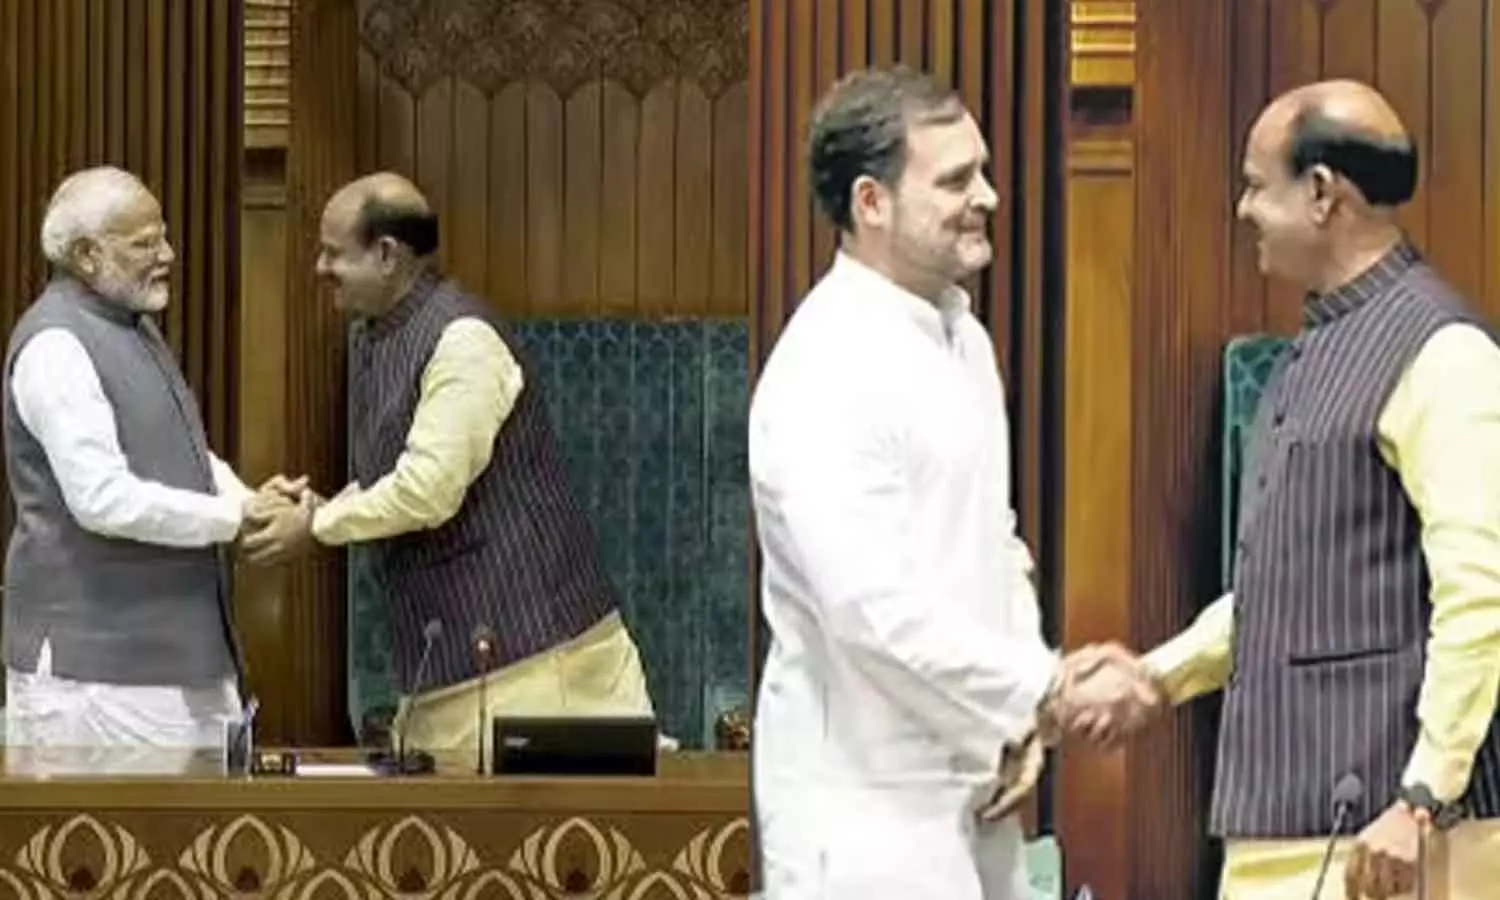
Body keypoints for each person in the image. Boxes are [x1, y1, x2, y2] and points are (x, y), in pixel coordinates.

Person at [749, 67, 1161, 900]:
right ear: (871, 202)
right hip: (863, 814)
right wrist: (1043, 688)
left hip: (979, 782)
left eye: (983, 171)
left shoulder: (964, 339)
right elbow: (872, 611)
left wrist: (1021, 717)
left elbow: (993, 542)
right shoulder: (827, 365)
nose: (989, 197)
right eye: (956, 180)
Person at [1121, 80, 1500, 899]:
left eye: (1257, 186)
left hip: (1393, 842)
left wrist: (1423, 795)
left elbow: (1481, 596)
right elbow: (1292, 591)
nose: (1244, 210)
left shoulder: (1444, 352)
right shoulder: (1320, 343)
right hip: (1290, 828)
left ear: (1322, 193)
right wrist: (1152, 680)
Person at [244, 173, 654, 758]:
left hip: (542, 674)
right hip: (459, 680)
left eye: (333, 253)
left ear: (387, 254)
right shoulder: (380, 337)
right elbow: (399, 475)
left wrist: (316, 526)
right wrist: (323, 508)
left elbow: (427, 490)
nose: (319, 268)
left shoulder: (463, 340)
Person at [2, 166, 299, 775]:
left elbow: (183, 455)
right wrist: (236, 516)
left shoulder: (134, 328)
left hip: (177, 668)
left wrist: (251, 501)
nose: (168, 255)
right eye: (145, 243)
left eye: (163, 236)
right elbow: (101, 499)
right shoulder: (57, 346)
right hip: (100, 679)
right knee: (106, 839)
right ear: (87, 255)